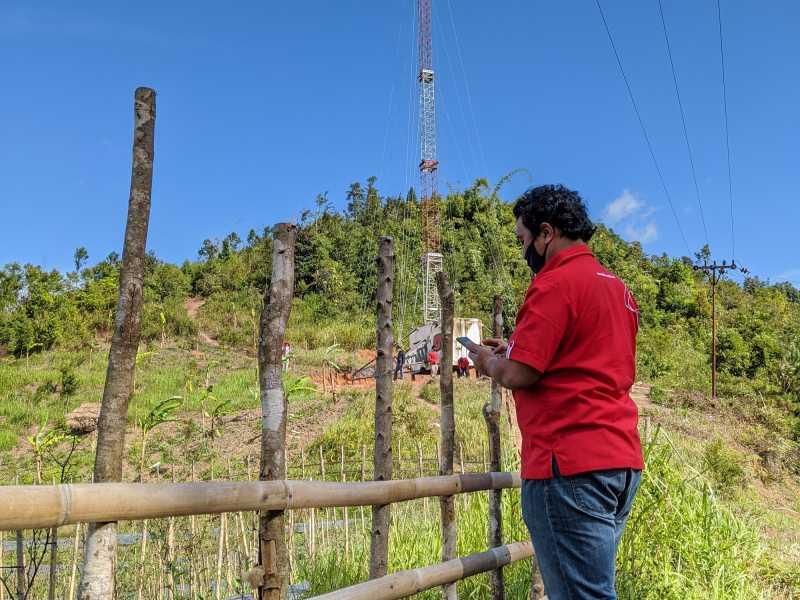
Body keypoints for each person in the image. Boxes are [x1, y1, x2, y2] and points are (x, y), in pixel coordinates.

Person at [467, 185, 644, 600]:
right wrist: (511, 348)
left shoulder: (555, 283)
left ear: (546, 234)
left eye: (523, 241)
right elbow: (580, 360)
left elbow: (519, 375)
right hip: (618, 461)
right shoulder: (618, 289)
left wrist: (489, 362)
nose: (523, 251)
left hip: (567, 465)